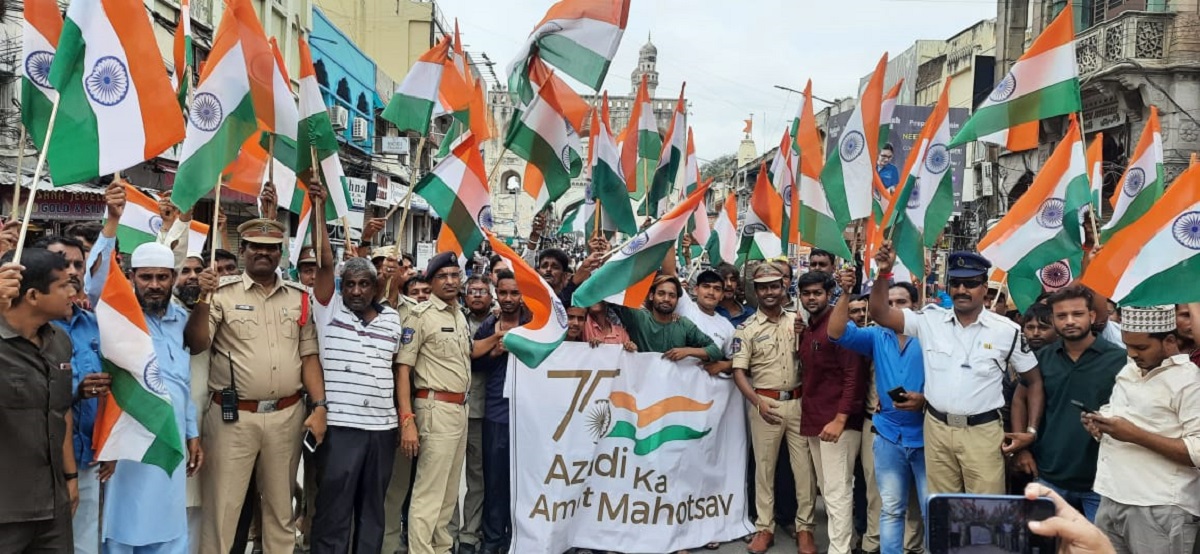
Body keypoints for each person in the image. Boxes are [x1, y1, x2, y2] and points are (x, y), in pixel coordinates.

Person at [188, 218, 328, 554]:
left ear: (280, 253)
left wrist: (321, 406)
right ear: (244, 250)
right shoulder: (221, 293)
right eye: (255, 247)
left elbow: (309, 357)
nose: (263, 253)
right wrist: (202, 297)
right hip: (232, 419)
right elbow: (196, 343)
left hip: (287, 415)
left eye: (270, 248)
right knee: (223, 510)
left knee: (280, 510)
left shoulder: (299, 297)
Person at [869, 244, 1043, 495]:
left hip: (982, 434)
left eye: (970, 283)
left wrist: (1031, 432)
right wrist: (884, 273)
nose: (962, 290)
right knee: (944, 509)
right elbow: (880, 313)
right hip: (936, 429)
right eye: (956, 283)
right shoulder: (929, 320)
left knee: (985, 514)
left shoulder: (1007, 330)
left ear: (984, 288)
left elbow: (1034, 381)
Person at [304, 189, 403, 552]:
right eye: (350, 285)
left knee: (372, 513)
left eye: (364, 284)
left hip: (382, 430)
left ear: (377, 287)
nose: (357, 291)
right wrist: (318, 209)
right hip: (342, 429)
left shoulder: (393, 318)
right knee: (333, 512)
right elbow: (326, 263)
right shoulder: (329, 312)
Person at [91, 240, 203, 553]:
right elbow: (94, 280)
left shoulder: (181, 320)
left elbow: (182, 382)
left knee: (169, 524)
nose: (154, 285)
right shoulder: (116, 319)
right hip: (128, 439)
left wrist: (192, 433)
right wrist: (111, 225)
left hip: (172, 436)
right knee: (123, 524)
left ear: (173, 278)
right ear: (131, 277)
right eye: (145, 277)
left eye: (162, 277)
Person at [1085, 305, 1200, 553]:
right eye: (1127, 345)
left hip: (1159, 507)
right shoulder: (1129, 370)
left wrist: (1135, 435)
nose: (1132, 353)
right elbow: (1119, 414)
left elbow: (1197, 452)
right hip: (1111, 496)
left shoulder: (1190, 381)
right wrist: (1101, 424)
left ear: (1169, 341)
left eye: (1141, 347)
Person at [1009, 286, 1126, 522]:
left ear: (1092, 316)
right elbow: (1020, 399)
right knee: (1045, 545)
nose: (1070, 321)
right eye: (1062, 316)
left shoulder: (1119, 360)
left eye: (1077, 314)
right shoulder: (1042, 358)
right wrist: (1022, 447)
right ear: (1053, 319)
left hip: (1100, 482)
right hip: (1048, 475)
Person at [831, 280, 926, 554]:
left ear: (915, 306)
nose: (894, 309)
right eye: (889, 303)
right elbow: (836, 332)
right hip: (887, 435)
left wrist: (925, 400)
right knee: (892, 508)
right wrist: (846, 292)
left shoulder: (931, 335)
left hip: (926, 435)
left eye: (902, 303)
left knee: (931, 508)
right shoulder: (876, 335)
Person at [731, 263, 817, 554]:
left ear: (783, 288)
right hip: (764, 403)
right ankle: (764, 528)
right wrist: (756, 402)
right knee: (764, 470)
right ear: (756, 292)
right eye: (763, 287)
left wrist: (804, 334)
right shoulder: (746, 329)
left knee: (804, 470)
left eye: (774, 286)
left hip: (798, 402)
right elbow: (738, 372)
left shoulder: (799, 319)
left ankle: (805, 528)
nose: (769, 292)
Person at [0, 249, 78, 552]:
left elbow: (61, 412)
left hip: (53, 507)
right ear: (33, 295)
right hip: (7, 510)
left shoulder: (59, 341)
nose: (73, 292)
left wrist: (70, 477)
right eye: (63, 285)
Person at [396, 252, 473, 554]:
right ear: (430, 281)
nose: (451, 281)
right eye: (443, 276)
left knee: (448, 494)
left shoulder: (459, 314)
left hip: (459, 409)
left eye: (455, 275)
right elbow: (403, 369)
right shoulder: (419, 316)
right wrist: (407, 420)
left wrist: (499, 339)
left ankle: (440, 549)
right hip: (433, 408)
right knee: (428, 494)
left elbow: (467, 355)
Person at [37, 231, 105, 554]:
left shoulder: (93, 324)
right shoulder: (30, 329)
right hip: (42, 464)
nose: (75, 271)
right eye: (65, 263)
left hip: (88, 458)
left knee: (85, 545)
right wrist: (76, 390)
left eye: (80, 264)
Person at [795, 271, 867, 554]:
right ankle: (842, 547)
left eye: (817, 293)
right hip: (814, 419)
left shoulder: (839, 327)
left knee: (837, 493)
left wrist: (840, 419)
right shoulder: (809, 327)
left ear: (829, 294)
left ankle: (840, 551)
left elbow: (854, 376)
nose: (812, 298)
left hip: (839, 423)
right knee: (828, 492)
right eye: (806, 293)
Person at [472, 270, 529, 554]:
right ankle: (493, 539)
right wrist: (493, 353)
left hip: (529, 417)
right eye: (503, 293)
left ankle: (516, 539)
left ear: (523, 295)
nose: (508, 299)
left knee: (523, 482)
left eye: (514, 293)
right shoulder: (489, 325)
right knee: (494, 481)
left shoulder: (535, 324)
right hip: (496, 414)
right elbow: (473, 365)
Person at [453, 275, 492, 554]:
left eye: (482, 291)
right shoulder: (455, 320)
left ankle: (469, 534)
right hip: (451, 409)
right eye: (472, 291)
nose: (477, 295)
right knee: (448, 476)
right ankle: (448, 531)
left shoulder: (499, 322)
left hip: (481, 412)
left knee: (477, 477)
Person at [611, 275, 722, 363]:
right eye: (661, 294)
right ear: (651, 296)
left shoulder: (683, 324)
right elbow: (610, 295)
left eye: (672, 295)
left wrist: (688, 351)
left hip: (672, 389)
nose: (666, 299)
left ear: (677, 300)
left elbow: (715, 351)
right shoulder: (638, 318)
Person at [672, 268, 735, 375]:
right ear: (696, 290)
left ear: (722, 296)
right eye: (706, 286)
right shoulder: (685, 306)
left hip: (708, 388)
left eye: (717, 289)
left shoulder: (727, 327)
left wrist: (723, 365)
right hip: (676, 381)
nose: (711, 292)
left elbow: (741, 360)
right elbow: (670, 271)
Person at [715, 263, 755, 327]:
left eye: (733, 280)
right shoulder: (710, 312)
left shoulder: (750, 314)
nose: (729, 284)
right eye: (724, 279)